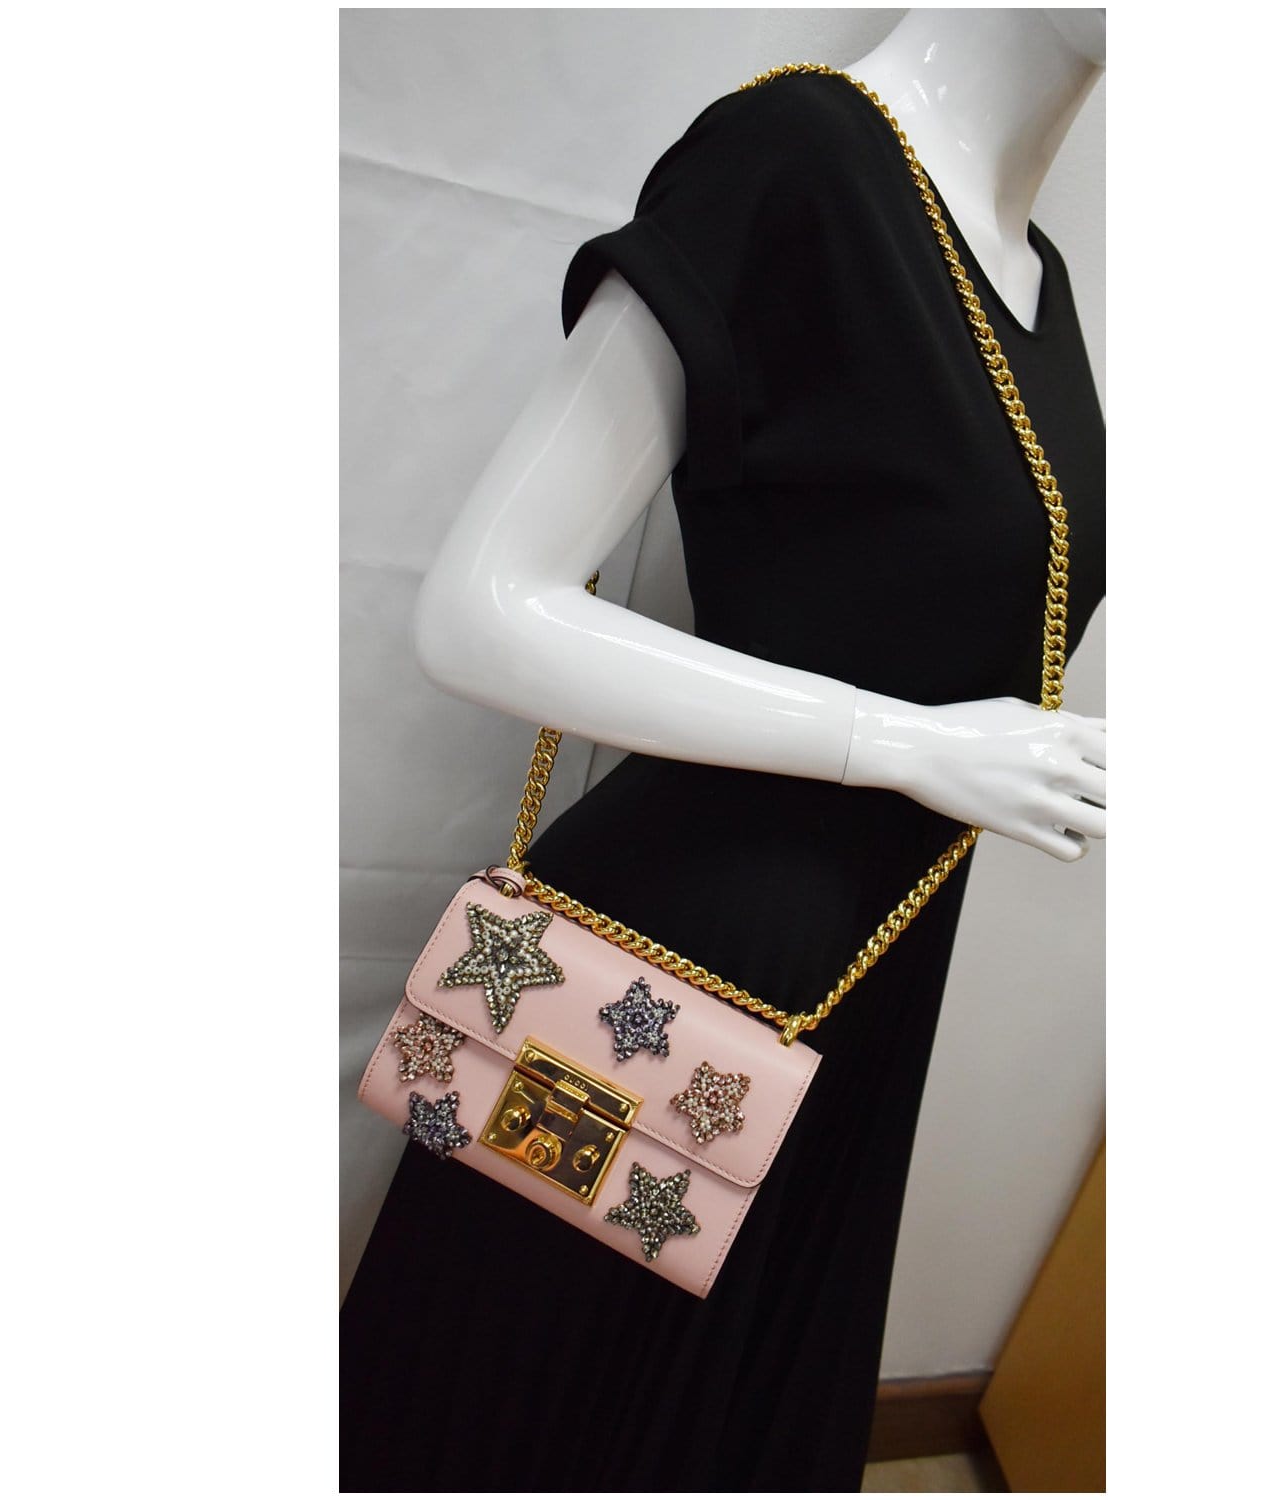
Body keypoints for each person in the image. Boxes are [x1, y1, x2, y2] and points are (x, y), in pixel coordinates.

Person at [342, 11, 1107, 1489]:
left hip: (866, 979)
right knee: (528, 1412)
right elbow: (481, 608)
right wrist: (904, 743)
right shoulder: (794, 160)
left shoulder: (1038, 277)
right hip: (664, 982)